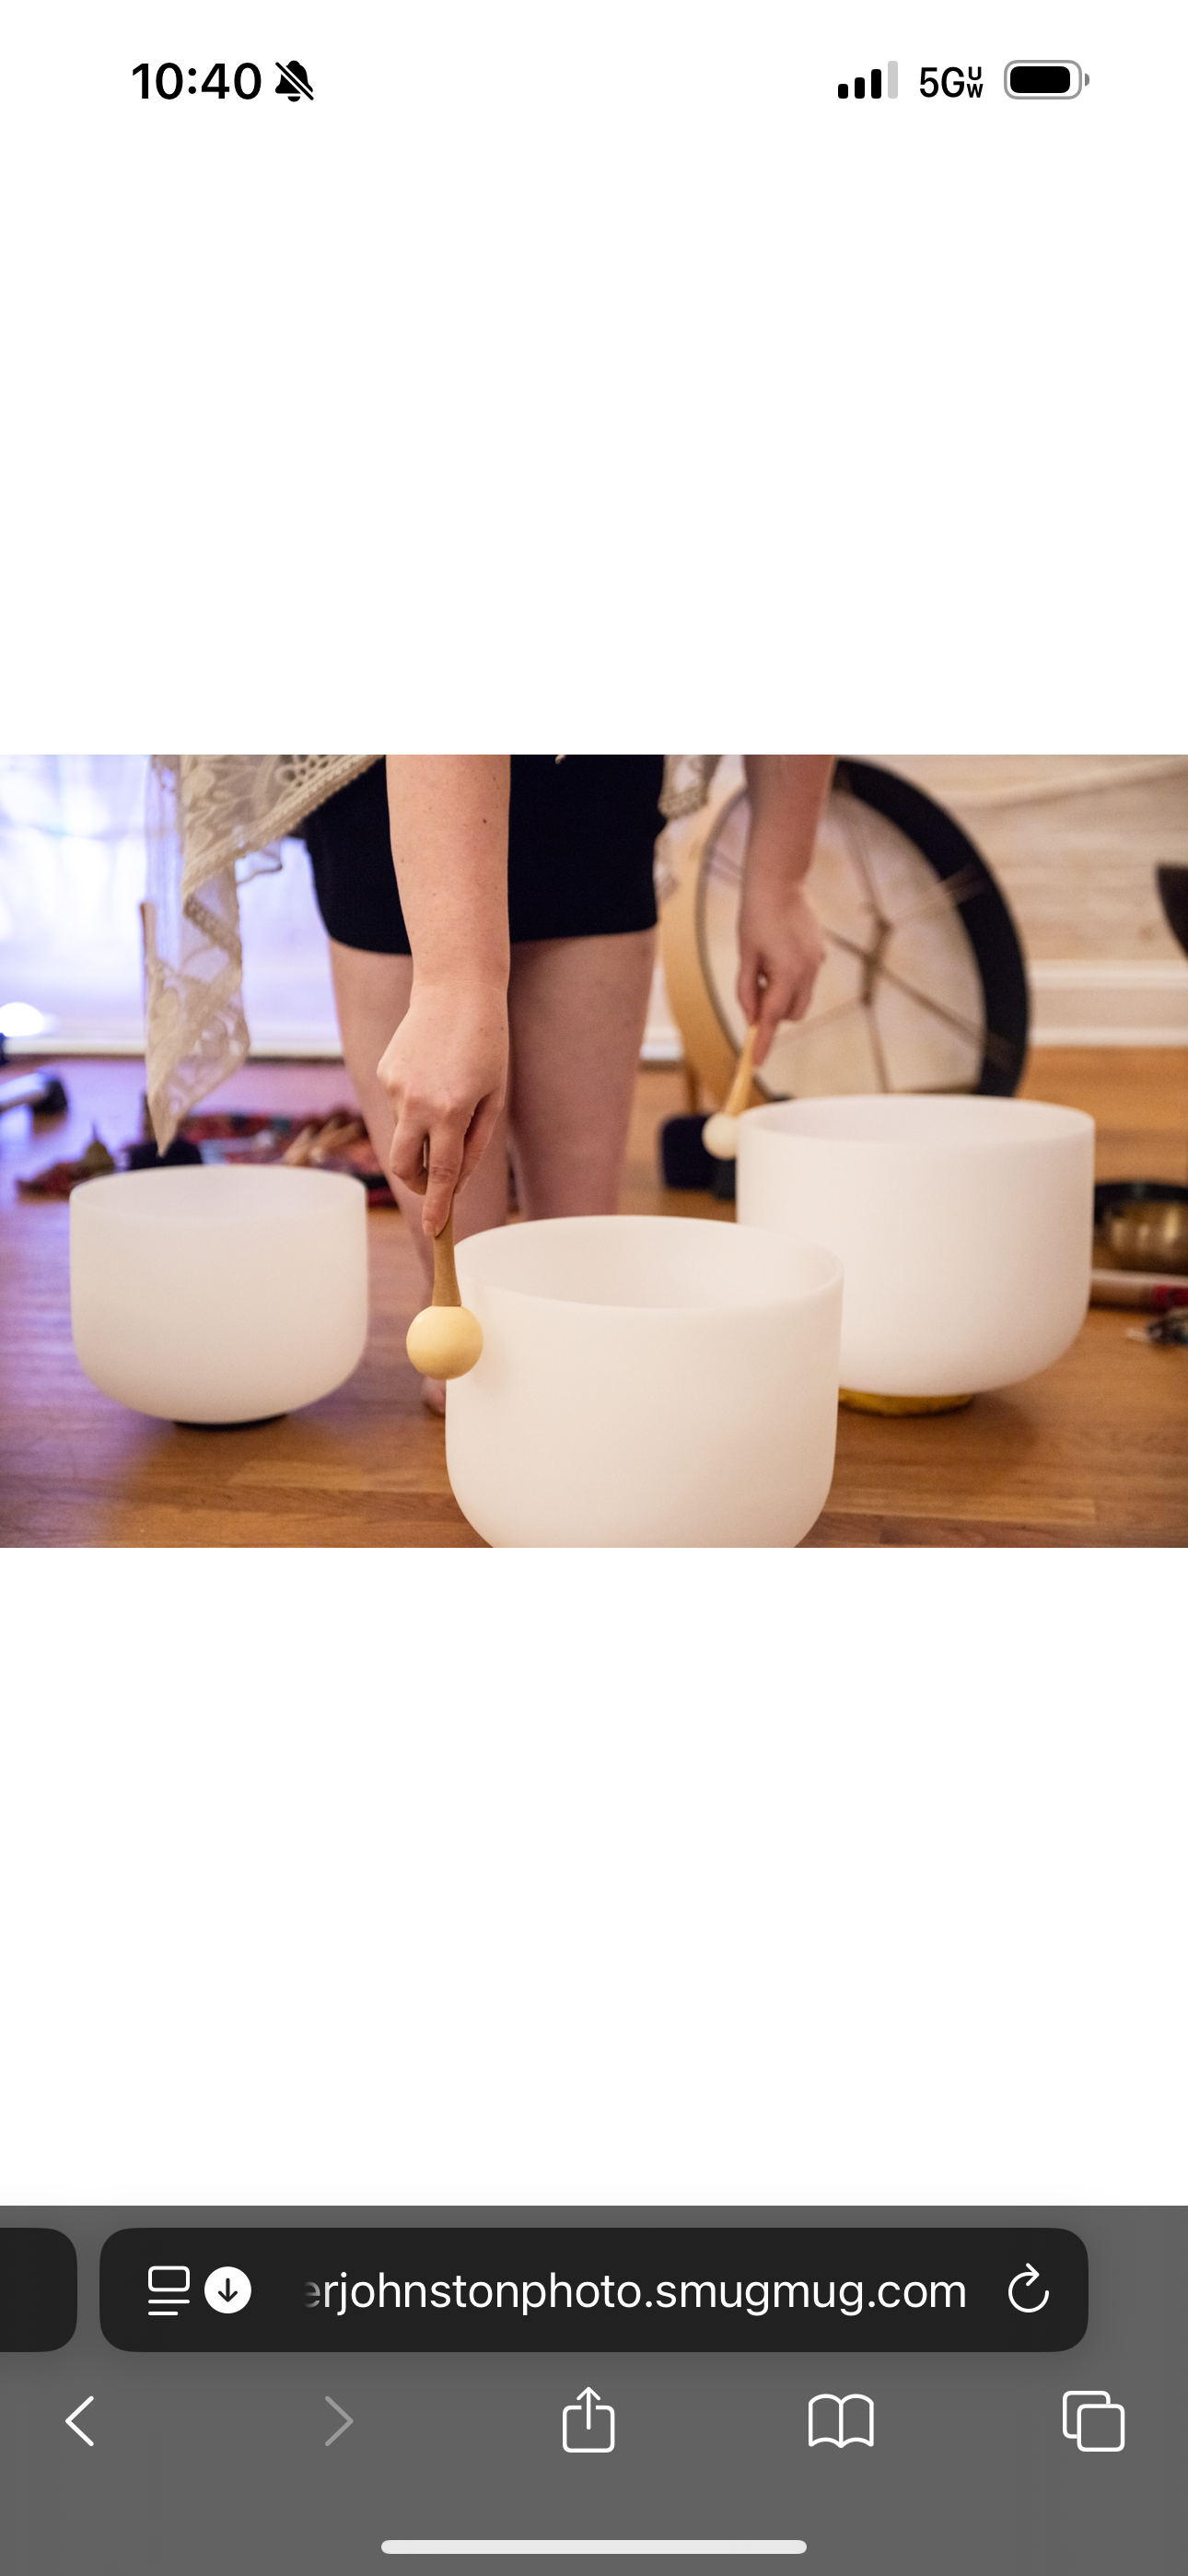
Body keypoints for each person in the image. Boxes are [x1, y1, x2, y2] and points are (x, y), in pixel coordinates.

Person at [300, 754, 834, 1408]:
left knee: (572, 1278)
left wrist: (780, 879)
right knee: (468, 1325)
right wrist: (451, 985)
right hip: (399, 765)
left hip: (590, 767)